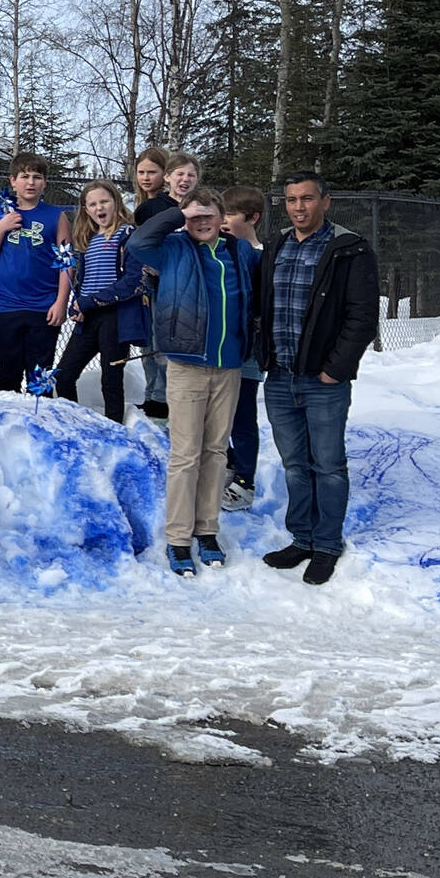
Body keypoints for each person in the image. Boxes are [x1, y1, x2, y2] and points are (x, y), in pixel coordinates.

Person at [128, 187, 259, 578]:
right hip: (187, 365)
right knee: (185, 454)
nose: (202, 221)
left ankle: (207, 530)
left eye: (209, 214)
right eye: (194, 215)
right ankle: (179, 537)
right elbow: (138, 242)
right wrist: (179, 213)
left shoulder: (239, 252)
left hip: (230, 365)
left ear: (223, 217)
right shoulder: (171, 249)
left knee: (216, 452)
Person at [255, 172, 378, 586]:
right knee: (294, 465)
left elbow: (361, 318)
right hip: (279, 377)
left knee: (327, 465)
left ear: (326, 200)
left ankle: (327, 544)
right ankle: (302, 538)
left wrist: (335, 369)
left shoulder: (349, 250)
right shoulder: (276, 245)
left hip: (322, 381)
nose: (298, 208)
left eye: (307, 199)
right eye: (291, 200)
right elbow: (261, 306)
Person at [0, 153, 72, 392]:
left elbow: (67, 262)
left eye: (37, 177)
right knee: (8, 370)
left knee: (40, 374)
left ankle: (38, 422)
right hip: (7, 306)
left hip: (44, 306)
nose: (30, 182)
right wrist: (1, 228)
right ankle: (6, 424)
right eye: (24, 176)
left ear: (45, 182)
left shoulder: (56, 216)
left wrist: (61, 301)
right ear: (12, 180)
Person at [54, 181, 143, 423]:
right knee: (63, 375)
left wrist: (91, 301)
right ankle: (74, 423)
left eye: (104, 201)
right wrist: (78, 303)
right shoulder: (88, 240)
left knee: (111, 379)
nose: (98, 208)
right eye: (92, 204)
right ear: (85, 209)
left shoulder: (129, 236)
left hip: (115, 317)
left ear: (115, 202)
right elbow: (84, 279)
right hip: (88, 317)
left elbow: (132, 283)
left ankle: (114, 429)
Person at [134, 151, 199, 419]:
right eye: (180, 174)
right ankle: (155, 397)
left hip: (188, 288)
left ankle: (175, 398)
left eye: (191, 175)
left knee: (177, 343)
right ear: (168, 177)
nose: (185, 179)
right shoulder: (152, 208)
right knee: (152, 344)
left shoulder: (201, 206)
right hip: (157, 285)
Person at [220, 186, 267, 509]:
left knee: (242, 416)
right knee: (217, 416)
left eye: (230, 216)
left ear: (252, 218)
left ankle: (245, 480)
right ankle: (229, 463)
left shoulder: (264, 256)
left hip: (248, 350)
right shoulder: (221, 250)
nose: (223, 221)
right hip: (220, 348)